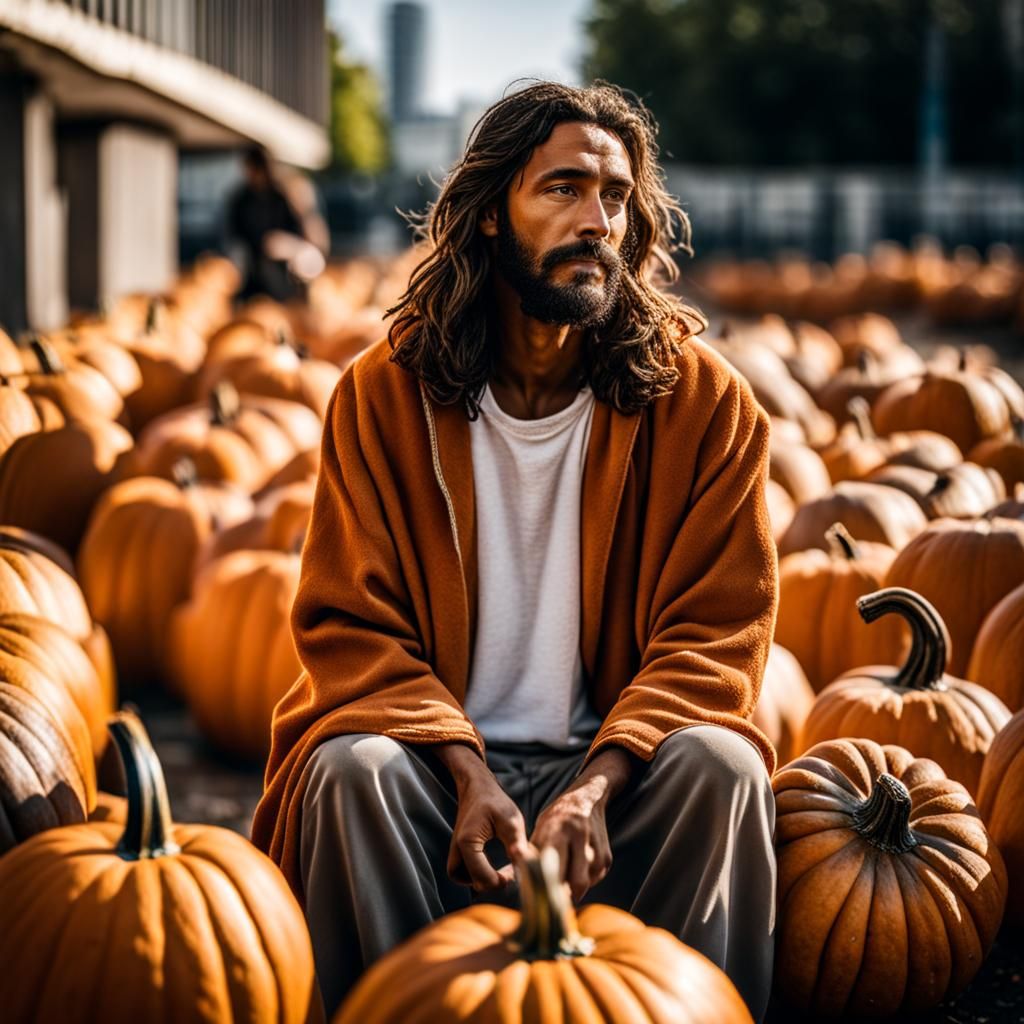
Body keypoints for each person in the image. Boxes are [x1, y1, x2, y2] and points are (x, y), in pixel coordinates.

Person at [252, 81, 779, 1022]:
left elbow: (718, 637)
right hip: (435, 773)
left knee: (723, 767)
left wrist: (598, 782)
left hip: (621, 781)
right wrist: (463, 767)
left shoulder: (708, 408)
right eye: (563, 189)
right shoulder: (381, 399)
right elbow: (349, 627)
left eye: (615, 196)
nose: (597, 221)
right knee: (346, 770)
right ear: (492, 213)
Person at [225, 146, 326, 301]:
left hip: (284, 273)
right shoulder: (241, 199)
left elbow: (309, 240)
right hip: (253, 269)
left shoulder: (281, 197)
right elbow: (234, 234)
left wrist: (287, 244)